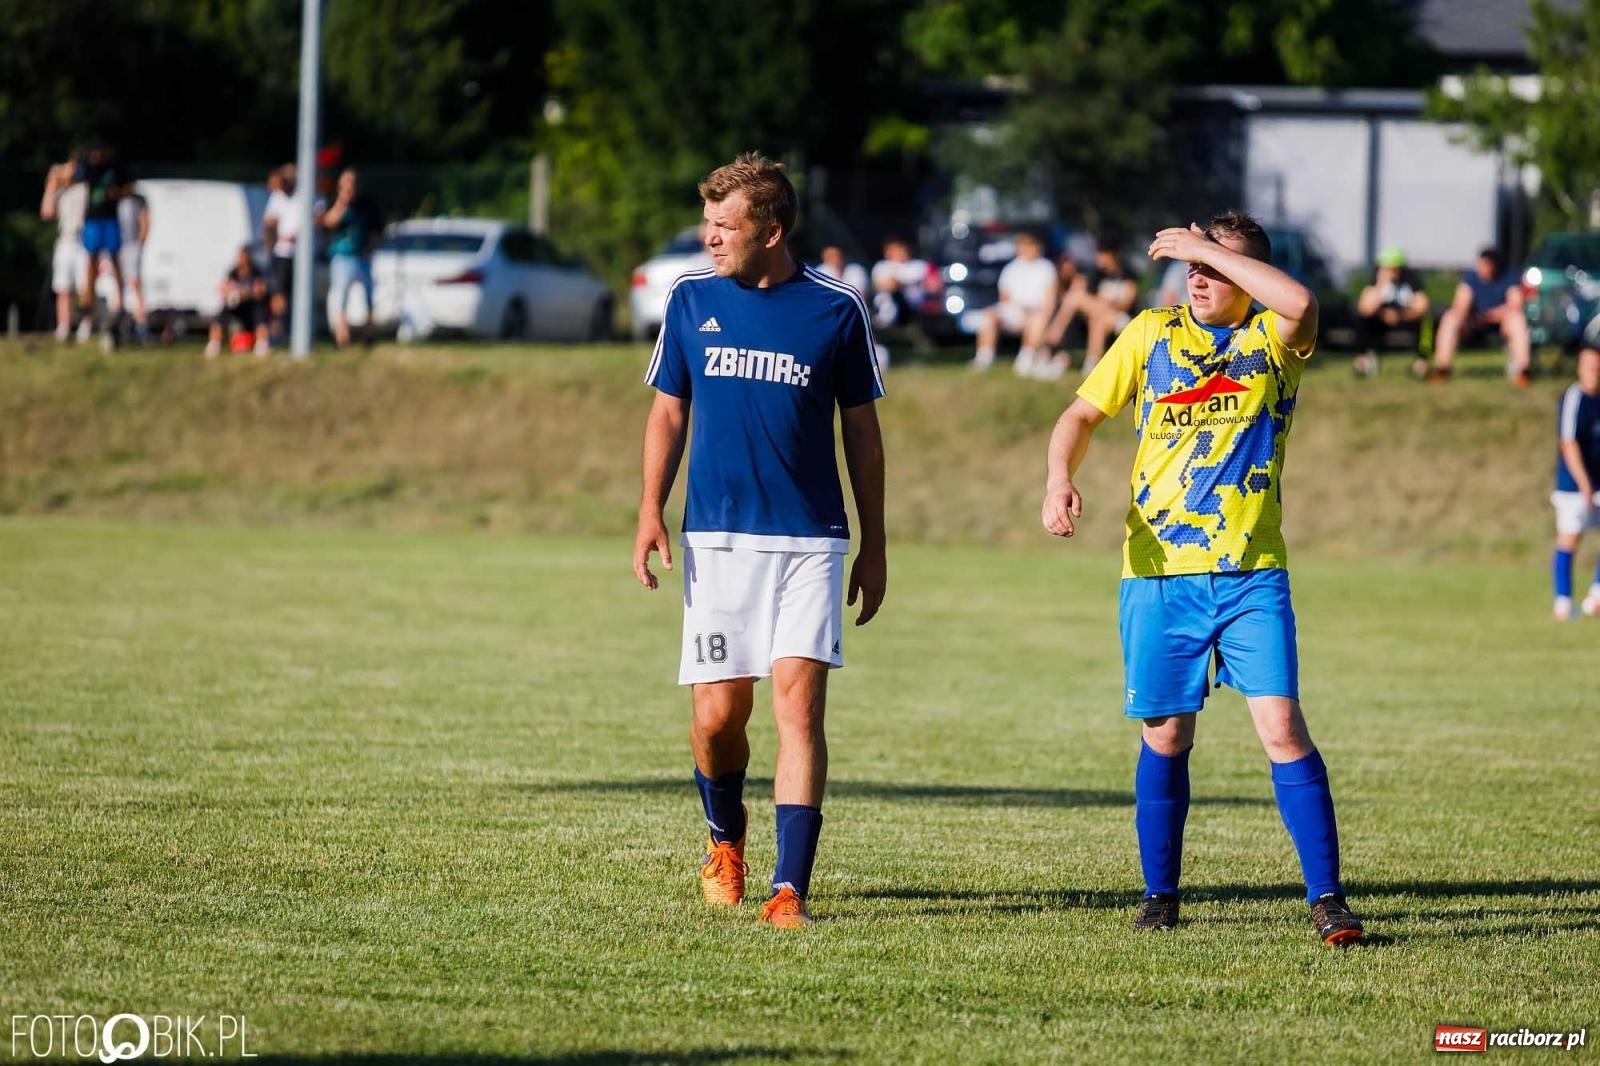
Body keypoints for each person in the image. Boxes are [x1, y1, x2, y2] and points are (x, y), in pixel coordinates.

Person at [1040, 211, 1364, 947]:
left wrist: (1198, 245)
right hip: (1159, 574)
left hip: (1251, 572)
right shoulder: (1152, 334)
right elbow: (1079, 414)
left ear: (1250, 280)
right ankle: (1160, 894)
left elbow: (1304, 304)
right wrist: (1059, 477)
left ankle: (1328, 899)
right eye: (1193, 264)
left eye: (1217, 267)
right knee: (1167, 735)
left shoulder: (1272, 340)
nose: (1198, 276)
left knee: (1281, 728)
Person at [635, 152, 887, 929]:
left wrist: (874, 543)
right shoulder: (691, 299)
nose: (710, 238)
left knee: (798, 710)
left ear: (772, 230)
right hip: (715, 542)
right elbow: (669, 411)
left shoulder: (837, 308)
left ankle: (789, 889)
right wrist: (650, 507)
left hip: (810, 541)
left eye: (725, 226)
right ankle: (724, 837)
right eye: (707, 223)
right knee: (717, 719)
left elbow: (863, 438)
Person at [1426, 247, 1531, 385]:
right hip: (1474, 320)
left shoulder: (1509, 275)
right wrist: (1465, 314)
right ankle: (1442, 368)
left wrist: (1491, 315)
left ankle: (1522, 371)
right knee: (1450, 318)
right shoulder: (1471, 277)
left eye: (1487, 264)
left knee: (1517, 320)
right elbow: (1461, 303)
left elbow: (1515, 304)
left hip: (1501, 321)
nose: (1483, 268)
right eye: (1481, 264)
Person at [1551, 346, 1600, 620]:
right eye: (1589, 365)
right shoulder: (1574, 398)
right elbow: (1568, 443)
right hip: (1574, 484)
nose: (1594, 370)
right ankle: (1563, 601)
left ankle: (1596, 594)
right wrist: (1583, 482)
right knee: (1570, 539)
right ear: (1580, 367)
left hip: (1598, 481)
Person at [1043, 239, 1140, 374]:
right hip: (1102, 317)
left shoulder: (1128, 274)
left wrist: (1108, 303)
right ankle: (1091, 363)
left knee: (1076, 298)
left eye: (1102, 254)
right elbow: (1091, 297)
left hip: (1121, 318)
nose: (1099, 259)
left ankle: (1056, 331)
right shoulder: (1095, 274)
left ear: (1113, 255)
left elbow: (1127, 303)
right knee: (1096, 320)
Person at [971, 231, 1059, 378]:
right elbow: (1004, 297)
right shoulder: (1011, 268)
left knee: (1037, 320)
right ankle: (984, 357)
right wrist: (1018, 311)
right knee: (988, 315)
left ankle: (1025, 359)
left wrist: (1035, 313)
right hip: (1014, 309)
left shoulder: (1046, 268)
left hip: (1037, 311)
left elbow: (1050, 299)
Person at [74, 139, 132, 344]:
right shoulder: (87, 169)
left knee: (114, 259)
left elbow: (130, 189)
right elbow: (72, 175)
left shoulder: (115, 169)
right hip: (92, 220)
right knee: (91, 259)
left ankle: (120, 301)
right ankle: (87, 300)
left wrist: (115, 193)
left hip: (110, 219)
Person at [318, 168, 382, 348]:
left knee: (369, 294)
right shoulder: (336, 202)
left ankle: (369, 331)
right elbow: (328, 222)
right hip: (342, 256)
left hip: (362, 255)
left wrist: (371, 248)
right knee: (341, 294)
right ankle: (341, 334)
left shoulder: (368, 204)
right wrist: (342, 201)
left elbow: (377, 231)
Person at [1352, 247, 1429, 378]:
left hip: (1406, 318)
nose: (1392, 272)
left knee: (1427, 323)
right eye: (1387, 268)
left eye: (1394, 268)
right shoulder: (1377, 279)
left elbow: (1423, 306)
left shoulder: (1410, 279)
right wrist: (1381, 285)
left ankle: (1421, 362)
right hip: (1382, 319)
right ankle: (1364, 359)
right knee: (1363, 319)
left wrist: (1400, 315)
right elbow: (1365, 307)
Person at [39, 154, 87, 343]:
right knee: (62, 287)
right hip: (65, 241)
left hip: (83, 241)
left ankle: (85, 325)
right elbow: (47, 212)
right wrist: (52, 184)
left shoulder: (85, 188)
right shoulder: (61, 191)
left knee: (84, 287)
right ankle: (64, 326)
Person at [818, 245, 888, 371]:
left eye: (837, 256)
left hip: (855, 311)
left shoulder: (855, 270)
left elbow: (859, 295)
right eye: (830, 257)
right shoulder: (820, 271)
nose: (834, 260)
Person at [262, 163, 306, 349]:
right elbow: (269, 222)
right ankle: (279, 330)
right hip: (282, 253)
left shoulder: (304, 195)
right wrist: (270, 244)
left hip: (301, 254)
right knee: (280, 294)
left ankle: (296, 329)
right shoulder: (278, 197)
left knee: (299, 294)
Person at [205, 246, 269, 359]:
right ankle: (214, 344)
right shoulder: (233, 272)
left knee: (260, 317)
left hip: (251, 305)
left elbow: (260, 290)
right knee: (219, 317)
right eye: (240, 257)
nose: (241, 260)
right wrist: (231, 292)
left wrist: (246, 293)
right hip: (235, 305)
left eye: (244, 257)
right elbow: (223, 288)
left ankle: (261, 345)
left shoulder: (256, 272)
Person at [869, 237, 929, 331]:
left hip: (913, 307)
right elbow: (880, 284)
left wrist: (896, 282)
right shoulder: (881, 266)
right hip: (887, 305)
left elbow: (930, 285)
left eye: (899, 250)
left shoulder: (918, 265)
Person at [116, 184, 151, 344]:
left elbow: (144, 223)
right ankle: (120, 321)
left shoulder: (138, 201)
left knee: (135, 284)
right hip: (118, 246)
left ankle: (141, 324)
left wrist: (139, 244)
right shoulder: (116, 199)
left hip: (131, 246)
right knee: (118, 286)